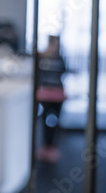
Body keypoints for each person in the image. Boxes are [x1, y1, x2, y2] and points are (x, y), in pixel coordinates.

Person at [36, 34, 69, 163]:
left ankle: (53, 148)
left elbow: (63, 72)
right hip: (45, 94)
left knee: (56, 122)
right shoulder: (41, 57)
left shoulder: (60, 58)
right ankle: (45, 147)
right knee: (45, 121)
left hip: (57, 94)